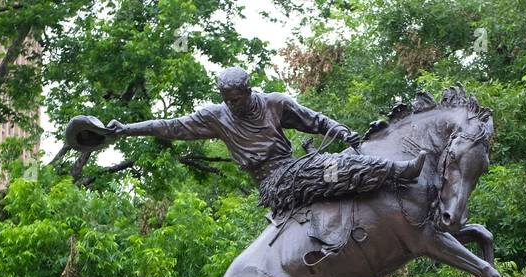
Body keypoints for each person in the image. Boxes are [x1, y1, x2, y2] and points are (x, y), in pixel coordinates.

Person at [65, 68, 425, 218]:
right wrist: (126, 128)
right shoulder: (216, 117)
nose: (231, 104)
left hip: (294, 167)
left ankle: (386, 181)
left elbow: (314, 121)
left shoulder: (275, 104)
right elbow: (171, 126)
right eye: (226, 98)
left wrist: (342, 130)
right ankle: (399, 170)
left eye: (235, 98)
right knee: (336, 168)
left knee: (341, 160)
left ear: (247, 91)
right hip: (276, 183)